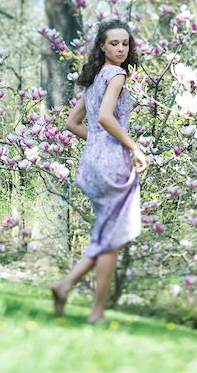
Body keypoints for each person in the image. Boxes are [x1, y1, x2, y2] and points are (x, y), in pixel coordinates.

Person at [51, 19, 147, 323]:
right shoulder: (116, 75)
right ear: (102, 47)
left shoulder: (95, 79)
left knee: (107, 234)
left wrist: (100, 143)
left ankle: (65, 285)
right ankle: (96, 313)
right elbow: (105, 117)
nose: (120, 49)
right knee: (113, 240)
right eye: (114, 43)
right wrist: (133, 147)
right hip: (111, 165)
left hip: (91, 162)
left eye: (125, 43)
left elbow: (72, 123)